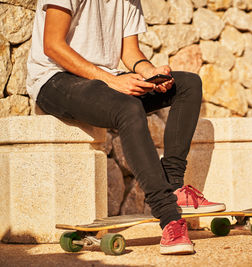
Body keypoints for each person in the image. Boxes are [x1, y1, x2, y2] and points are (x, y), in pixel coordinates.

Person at [26, 0, 225, 255]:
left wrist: (150, 72)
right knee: (128, 107)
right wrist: (111, 81)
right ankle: (169, 216)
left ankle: (174, 185)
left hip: (103, 78)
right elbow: (53, 45)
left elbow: (130, 52)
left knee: (188, 85)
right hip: (54, 79)